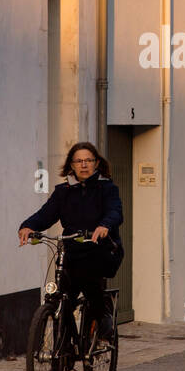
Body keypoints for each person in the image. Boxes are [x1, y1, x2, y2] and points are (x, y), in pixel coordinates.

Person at [18, 141, 124, 344]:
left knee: (86, 272)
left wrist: (104, 226)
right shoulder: (63, 191)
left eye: (88, 160)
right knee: (62, 297)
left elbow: (115, 211)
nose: (84, 165)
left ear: (96, 163)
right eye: (79, 161)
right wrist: (28, 226)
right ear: (71, 165)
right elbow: (45, 215)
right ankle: (62, 352)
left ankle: (103, 315)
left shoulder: (107, 188)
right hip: (73, 251)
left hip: (103, 250)